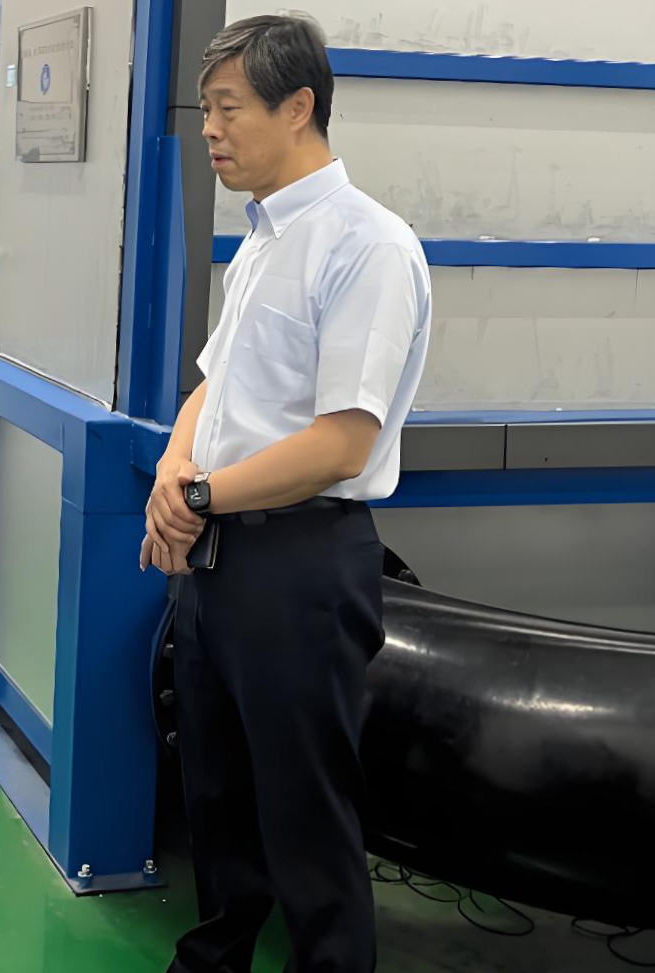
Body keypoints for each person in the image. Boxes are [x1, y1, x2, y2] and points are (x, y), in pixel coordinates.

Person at [140, 15, 431, 973]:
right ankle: (214, 957)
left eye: (228, 108)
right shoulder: (265, 238)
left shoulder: (366, 246)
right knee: (217, 793)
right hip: (221, 560)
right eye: (207, 109)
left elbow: (340, 444)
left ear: (297, 106)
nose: (210, 129)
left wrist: (199, 494)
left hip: (301, 563)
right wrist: (171, 471)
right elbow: (213, 386)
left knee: (305, 812)